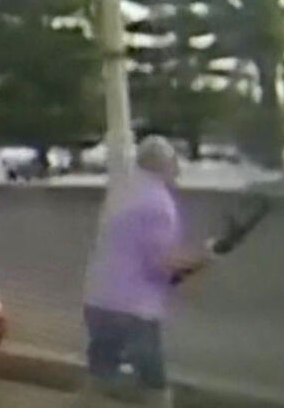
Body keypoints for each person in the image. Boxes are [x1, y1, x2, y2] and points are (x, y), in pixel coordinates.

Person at [80, 136, 210, 408]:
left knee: (101, 373)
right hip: (133, 309)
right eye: (175, 163)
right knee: (153, 382)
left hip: (99, 299)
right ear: (163, 164)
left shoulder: (121, 192)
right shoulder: (158, 203)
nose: (178, 170)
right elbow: (161, 263)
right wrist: (201, 258)